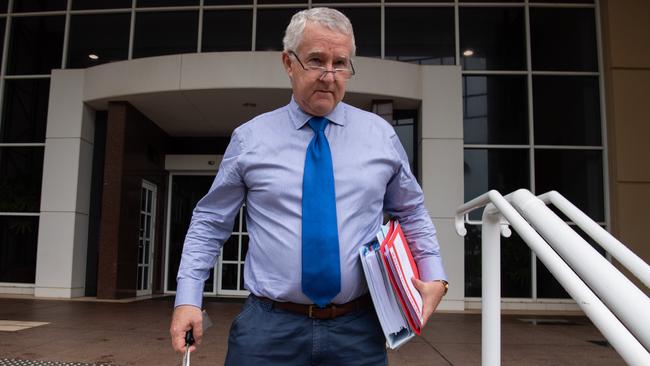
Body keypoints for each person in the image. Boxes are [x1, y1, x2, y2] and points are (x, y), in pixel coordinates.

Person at [170, 7, 448, 366]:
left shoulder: (381, 136)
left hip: (358, 330)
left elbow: (411, 211)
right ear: (289, 63)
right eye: (316, 60)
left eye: (340, 63)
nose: (329, 76)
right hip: (267, 331)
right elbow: (210, 222)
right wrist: (188, 298)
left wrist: (435, 275)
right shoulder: (250, 139)